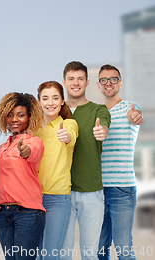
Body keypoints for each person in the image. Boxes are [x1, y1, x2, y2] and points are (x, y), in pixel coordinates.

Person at [61, 61, 111, 260]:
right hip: (60, 193)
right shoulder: (54, 110)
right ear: (64, 82)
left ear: (87, 82)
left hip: (91, 192)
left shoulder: (99, 110)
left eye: (80, 79)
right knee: (62, 253)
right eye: (71, 79)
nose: (76, 83)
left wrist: (103, 131)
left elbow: (105, 126)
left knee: (90, 254)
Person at [0, 92, 45, 260]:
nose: (15, 119)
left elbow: (33, 153)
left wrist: (25, 151)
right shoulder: (2, 147)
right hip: (3, 214)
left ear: (30, 117)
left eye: (21, 115)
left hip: (27, 213)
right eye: (10, 115)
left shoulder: (34, 142)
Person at [96, 64, 143, 260]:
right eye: (104, 80)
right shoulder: (95, 112)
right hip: (96, 189)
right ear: (99, 85)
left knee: (124, 249)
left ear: (120, 83)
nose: (108, 83)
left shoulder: (130, 107)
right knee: (99, 250)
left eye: (113, 79)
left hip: (122, 187)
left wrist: (135, 117)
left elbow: (135, 117)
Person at [35, 81, 78, 260]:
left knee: (50, 255)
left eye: (55, 98)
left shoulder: (68, 124)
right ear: (39, 102)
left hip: (57, 199)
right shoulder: (32, 129)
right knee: (35, 255)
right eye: (45, 98)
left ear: (62, 101)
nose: (50, 103)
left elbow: (71, 136)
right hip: (32, 199)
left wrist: (66, 136)